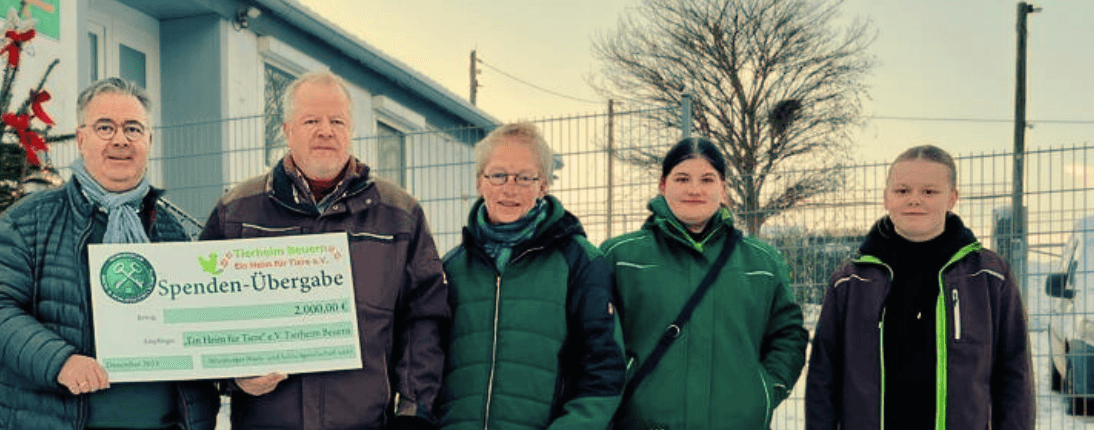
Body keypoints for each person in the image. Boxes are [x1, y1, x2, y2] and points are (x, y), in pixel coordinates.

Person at [201, 70, 449, 430]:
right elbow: (203, 315)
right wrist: (231, 375)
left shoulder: (399, 215)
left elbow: (424, 320)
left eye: (337, 121)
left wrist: (413, 413)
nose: (325, 130)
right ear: (286, 129)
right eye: (311, 120)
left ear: (350, 130)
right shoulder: (238, 211)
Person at [0, 77, 219, 430]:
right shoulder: (29, 221)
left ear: (149, 141)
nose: (120, 139)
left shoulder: (169, 228)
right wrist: (60, 361)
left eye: (133, 128)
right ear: (81, 139)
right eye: (106, 127)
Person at [805, 145, 1033, 430]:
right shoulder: (850, 282)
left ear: (952, 198)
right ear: (886, 198)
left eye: (929, 192)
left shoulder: (989, 277)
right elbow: (823, 377)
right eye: (902, 191)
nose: (914, 200)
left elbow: (1014, 376)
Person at [602, 138, 807, 429]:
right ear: (663, 185)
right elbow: (595, 342)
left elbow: (788, 335)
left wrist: (764, 390)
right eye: (682, 178)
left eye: (707, 179)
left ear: (723, 188)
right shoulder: (620, 257)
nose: (695, 189)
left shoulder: (763, 262)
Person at [437, 122, 624, 430]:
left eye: (525, 177)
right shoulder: (453, 268)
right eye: (498, 175)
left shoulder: (580, 262)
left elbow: (604, 368)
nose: (510, 188)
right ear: (479, 182)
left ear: (543, 185)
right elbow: (430, 363)